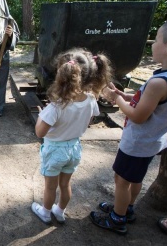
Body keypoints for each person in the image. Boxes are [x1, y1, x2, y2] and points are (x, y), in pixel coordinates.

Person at [90, 16, 167, 235]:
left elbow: (138, 117)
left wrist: (113, 99)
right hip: (153, 140)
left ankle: (118, 218)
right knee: (134, 179)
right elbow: (152, 101)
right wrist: (124, 95)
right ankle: (126, 207)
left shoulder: (158, 83)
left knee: (121, 180)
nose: (152, 44)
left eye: (156, 40)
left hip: (137, 141)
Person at [31, 48, 113, 224]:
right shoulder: (91, 99)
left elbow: (40, 132)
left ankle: (45, 213)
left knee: (50, 186)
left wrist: (41, 115)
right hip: (74, 148)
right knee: (65, 184)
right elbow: (89, 120)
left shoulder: (56, 107)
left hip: (55, 150)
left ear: (61, 75)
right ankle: (60, 211)